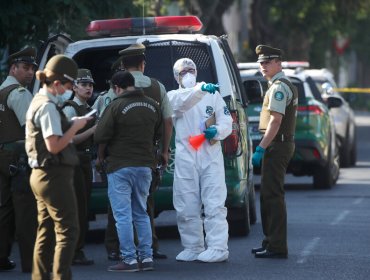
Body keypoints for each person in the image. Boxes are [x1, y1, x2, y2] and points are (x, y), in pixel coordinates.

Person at [103, 43, 173, 261]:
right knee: (144, 206)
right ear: (143, 65)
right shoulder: (158, 86)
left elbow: (103, 122)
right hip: (147, 155)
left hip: (118, 157)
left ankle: (117, 249)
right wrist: (164, 150)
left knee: (118, 208)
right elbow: (167, 121)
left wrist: (100, 155)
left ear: (122, 66)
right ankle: (149, 249)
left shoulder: (115, 90)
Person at [25, 54, 90, 279]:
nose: (70, 89)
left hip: (42, 174)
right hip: (53, 175)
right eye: (69, 84)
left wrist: (69, 125)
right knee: (68, 231)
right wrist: (77, 126)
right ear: (56, 83)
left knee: (46, 232)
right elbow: (54, 146)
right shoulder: (48, 107)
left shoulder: (39, 101)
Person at [95, 70, 162, 272]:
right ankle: (147, 257)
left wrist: (100, 158)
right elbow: (159, 132)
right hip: (145, 166)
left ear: (117, 88)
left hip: (120, 166)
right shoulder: (152, 105)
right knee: (141, 212)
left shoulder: (115, 105)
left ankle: (129, 259)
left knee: (122, 216)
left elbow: (100, 136)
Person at [167, 58, 232, 262]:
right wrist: (202, 89)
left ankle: (218, 247)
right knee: (186, 204)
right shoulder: (173, 96)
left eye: (191, 69)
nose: (188, 73)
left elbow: (226, 120)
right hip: (186, 157)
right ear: (176, 76)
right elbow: (185, 102)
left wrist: (218, 131)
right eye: (183, 71)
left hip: (210, 155)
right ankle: (193, 246)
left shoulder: (213, 95)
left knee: (214, 202)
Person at [251, 45, 298, 259]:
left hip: (277, 144)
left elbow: (276, 120)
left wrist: (261, 147)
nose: (263, 66)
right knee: (268, 195)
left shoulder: (279, 87)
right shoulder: (275, 84)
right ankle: (270, 242)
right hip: (276, 144)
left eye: (267, 62)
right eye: (261, 62)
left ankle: (277, 246)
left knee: (273, 196)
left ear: (278, 62)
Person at [0, 46, 38, 272]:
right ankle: (31, 262)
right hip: (20, 157)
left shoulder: (1, 91)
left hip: (3, 155)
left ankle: (2, 256)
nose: (30, 72)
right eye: (25, 68)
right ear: (13, 68)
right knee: (26, 211)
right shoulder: (20, 93)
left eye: (32, 68)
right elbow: (33, 129)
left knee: (4, 209)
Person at [62, 69, 97, 265]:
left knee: (83, 207)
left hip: (84, 161)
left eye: (90, 85)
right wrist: (93, 129)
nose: (88, 88)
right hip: (73, 161)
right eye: (83, 84)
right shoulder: (71, 109)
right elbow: (69, 140)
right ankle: (74, 252)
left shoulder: (86, 108)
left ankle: (76, 250)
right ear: (74, 87)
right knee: (77, 208)